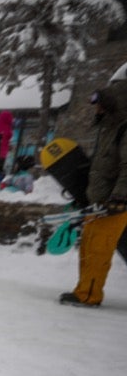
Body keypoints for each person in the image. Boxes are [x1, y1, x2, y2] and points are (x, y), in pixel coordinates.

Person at [62, 80, 127, 305]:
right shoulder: (108, 128)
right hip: (98, 201)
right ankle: (83, 289)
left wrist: (120, 197)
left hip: (114, 204)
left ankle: (89, 295)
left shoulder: (123, 129)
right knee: (89, 247)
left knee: (99, 250)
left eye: (99, 104)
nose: (96, 109)